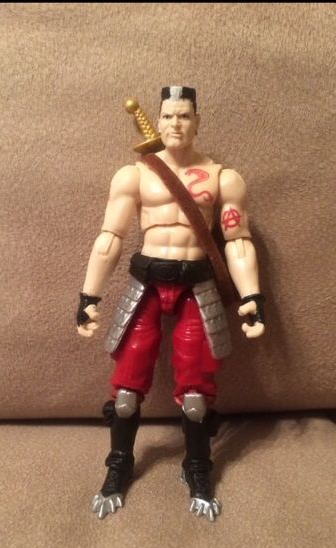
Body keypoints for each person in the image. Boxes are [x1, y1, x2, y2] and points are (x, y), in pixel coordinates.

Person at [77, 86, 265, 521]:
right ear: (157, 121)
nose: (175, 124)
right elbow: (109, 237)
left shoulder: (223, 178)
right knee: (126, 395)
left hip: (196, 285)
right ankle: (119, 463)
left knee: (196, 397)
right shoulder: (134, 176)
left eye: (184, 116)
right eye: (168, 116)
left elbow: (238, 240)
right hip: (146, 282)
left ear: (198, 121)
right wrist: (89, 295)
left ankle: (197, 467)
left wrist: (252, 296)